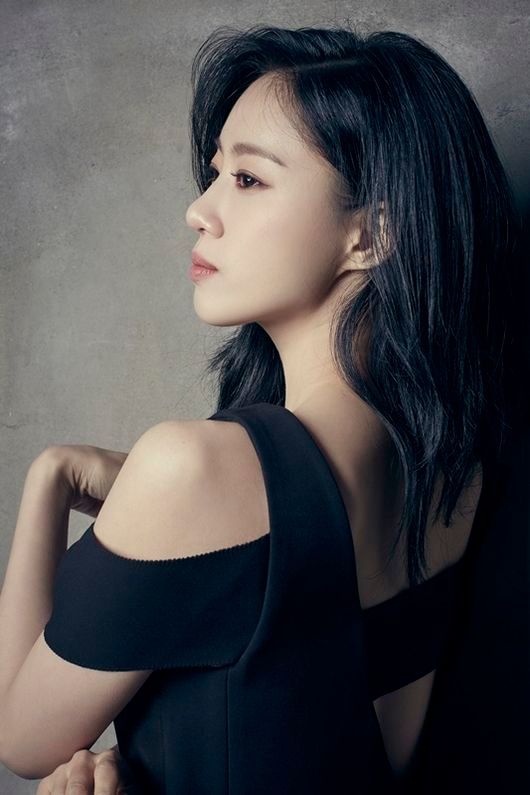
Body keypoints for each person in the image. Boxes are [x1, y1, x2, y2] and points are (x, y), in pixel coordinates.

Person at [0, 22, 525, 795]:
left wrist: (49, 478)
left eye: (248, 179)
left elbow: (22, 739)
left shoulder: (192, 469)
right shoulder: (462, 471)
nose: (199, 210)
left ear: (373, 233)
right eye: (215, 173)